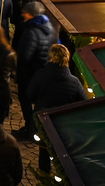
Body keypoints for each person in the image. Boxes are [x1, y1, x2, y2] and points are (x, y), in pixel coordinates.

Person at [25, 44, 89, 172]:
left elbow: (29, 96)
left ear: (51, 59)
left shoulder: (41, 75)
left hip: (42, 123)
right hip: (63, 126)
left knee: (44, 150)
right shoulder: (74, 82)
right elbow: (84, 103)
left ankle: (44, 175)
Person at [12, 2, 57, 137]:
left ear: (31, 14)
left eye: (24, 12)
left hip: (29, 74)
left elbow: (24, 56)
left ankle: (30, 128)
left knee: (25, 99)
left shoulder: (31, 32)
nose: (22, 14)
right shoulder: (49, 27)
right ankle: (36, 127)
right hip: (42, 71)